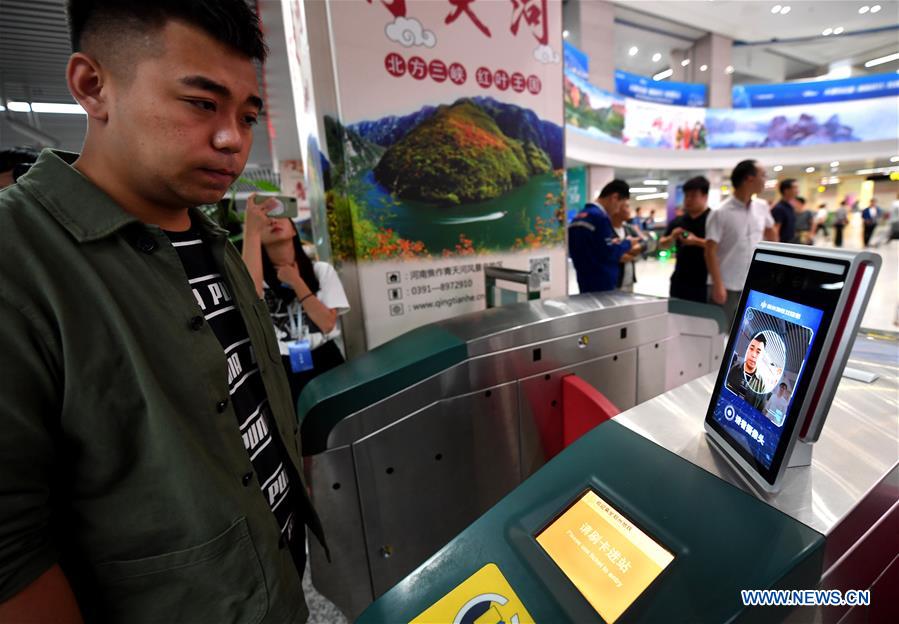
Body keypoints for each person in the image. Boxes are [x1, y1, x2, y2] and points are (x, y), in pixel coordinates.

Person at [0, 2, 325, 622]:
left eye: (248, 114)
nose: (232, 138)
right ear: (93, 87)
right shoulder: (19, 264)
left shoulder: (210, 242)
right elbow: (10, 555)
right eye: (201, 104)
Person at [242, 206, 350, 407]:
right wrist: (251, 228)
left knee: (342, 414)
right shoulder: (259, 282)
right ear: (258, 237)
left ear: (293, 230)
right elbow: (249, 297)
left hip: (325, 358)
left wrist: (295, 281)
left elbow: (327, 323)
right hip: (281, 364)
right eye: (267, 221)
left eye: (281, 217)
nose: (274, 221)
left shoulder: (321, 271)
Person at [705, 160, 777, 324]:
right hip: (727, 284)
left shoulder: (762, 207)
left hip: (753, 282)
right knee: (720, 331)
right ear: (749, 179)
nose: (765, 180)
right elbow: (710, 251)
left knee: (745, 331)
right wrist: (717, 285)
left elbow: (771, 233)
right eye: (762, 175)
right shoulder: (720, 212)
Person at [569, 179, 642, 293]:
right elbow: (609, 252)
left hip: (584, 280)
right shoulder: (600, 217)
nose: (617, 210)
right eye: (620, 205)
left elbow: (593, 248)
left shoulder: (579, 216)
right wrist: (627, 243)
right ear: (614, 198)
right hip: (602, 282)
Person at [659, 175, 710, 303]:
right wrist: (672, 237)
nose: (688, 200)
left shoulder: (713, 220)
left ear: (705, 196)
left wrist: (696, 241)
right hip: (680, 281)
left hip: (705, 282)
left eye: (693, 196)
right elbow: (662, 245)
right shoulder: (678, 221)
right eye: (686, 196)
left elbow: (723, 246)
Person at [726, 333, 769, 410]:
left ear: (762, 356)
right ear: (747, 349)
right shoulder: (735, 369)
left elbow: (759, 412)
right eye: (751, 348)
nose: (754, 355)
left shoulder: (762, 386)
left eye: (758, 352)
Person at [610, 197, 642, 292]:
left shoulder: (629, 229)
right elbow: (612, 255)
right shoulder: (607, 231)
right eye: (627, 206)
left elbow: (643, 244)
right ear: (616, 208)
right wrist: (629, 249)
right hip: (614, 283)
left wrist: (628, 252)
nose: (629, 210)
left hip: (629, 280)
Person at [770, 178, 798, 244]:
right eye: (795, 188)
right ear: (786, 190)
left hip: (790, 244)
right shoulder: (779, 208)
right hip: (782, 246)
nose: (797, 190)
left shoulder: (789, 207)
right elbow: (776, 231)